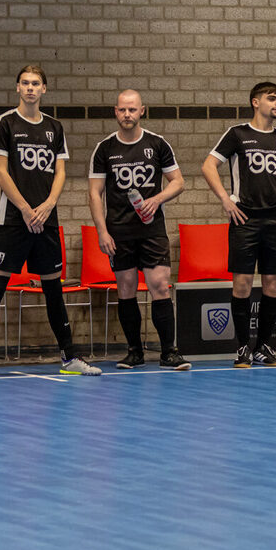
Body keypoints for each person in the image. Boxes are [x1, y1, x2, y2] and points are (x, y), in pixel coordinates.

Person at [0, 65, 100, 379]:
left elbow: (60, 172)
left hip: (46, 220)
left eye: (36, 83)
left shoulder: (55, 127)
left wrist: (48, 204)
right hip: (14, 220)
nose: (30, 88)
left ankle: (69, 356)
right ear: (18, 87)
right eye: (25, 83)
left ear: (44, 89)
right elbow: (0, 171)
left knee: (52, 288)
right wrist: (25, 209)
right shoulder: (5, 122)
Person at [201, 82, 276, 368]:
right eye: (272, 98)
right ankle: (243, 348)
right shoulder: (237, 134)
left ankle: (264, 346)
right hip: (245, 220)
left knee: (272, 285)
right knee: (241, 285)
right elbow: (208, 166)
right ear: (255, 102)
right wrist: (226, 199)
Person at [88, 89, 191, 371]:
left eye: (132, 109)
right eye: (122, 110)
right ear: (115, 111)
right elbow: (95, 193)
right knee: (126, 289)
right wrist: (102, 232)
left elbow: (178, 182)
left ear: (142, 111)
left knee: (159, 285)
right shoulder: (104, 148)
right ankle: (134, 352)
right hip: (118, 232)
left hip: (152, 230)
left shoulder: (157, 144)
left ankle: (169, 352)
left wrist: (156, 200)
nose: (127, 115)